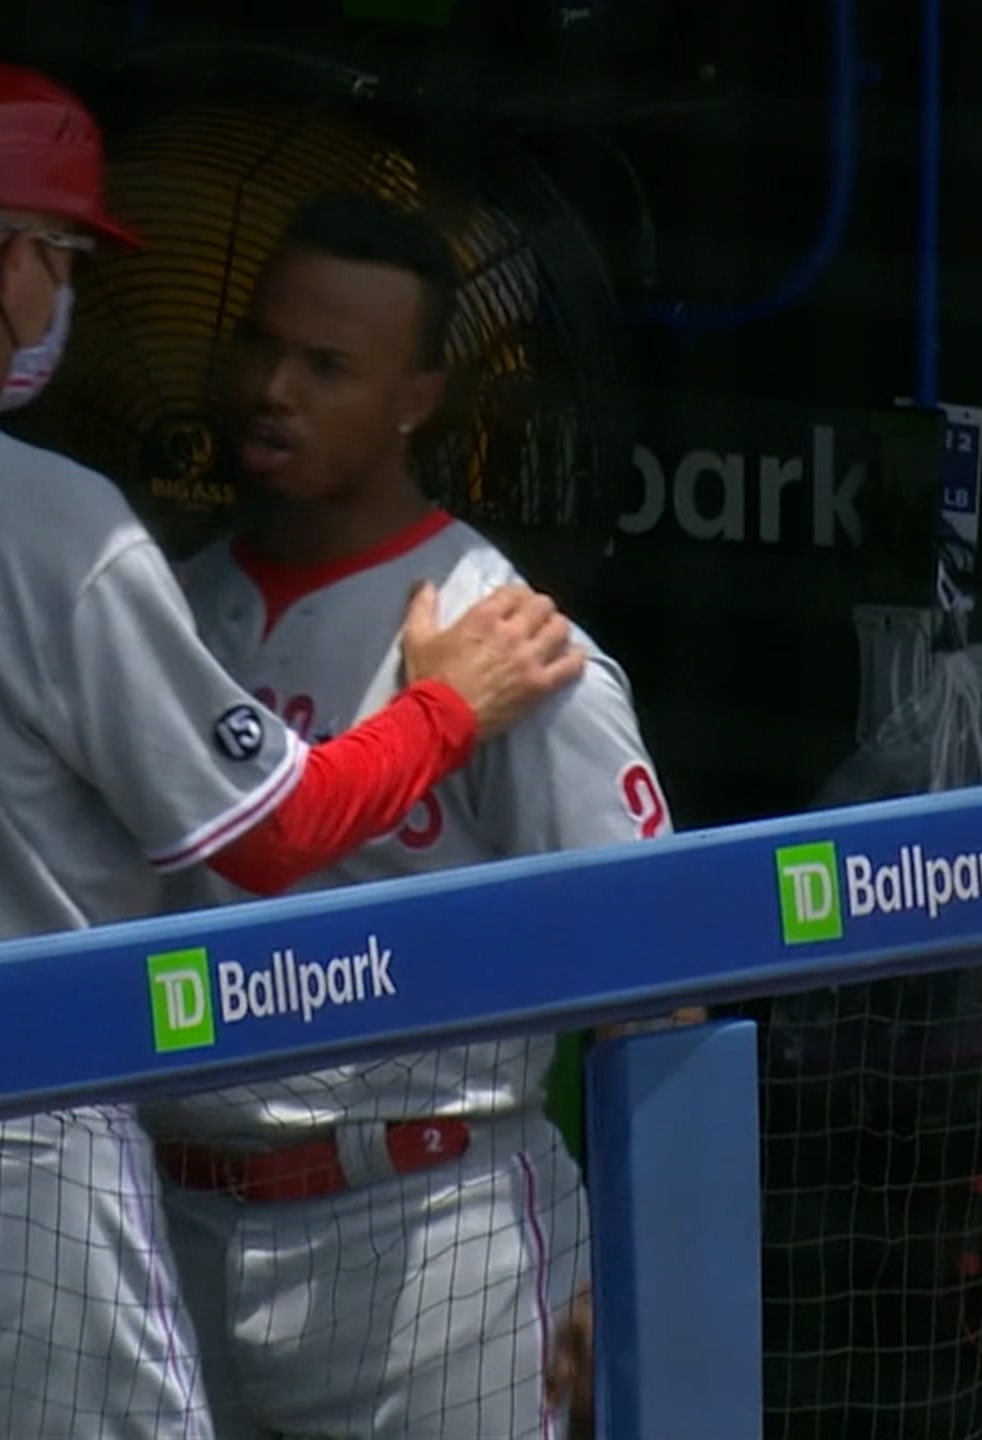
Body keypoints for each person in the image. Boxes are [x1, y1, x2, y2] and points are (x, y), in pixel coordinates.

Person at [0, 62, 588, 1440]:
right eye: (71, 258)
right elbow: (278, 833)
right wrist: (445, 706)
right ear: (17, 260)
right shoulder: (48, 522)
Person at [142, 191, 678, 1440]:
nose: (274, 388)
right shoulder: (160, 612)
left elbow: (655, 979)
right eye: (262, 346)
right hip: (173, 1221)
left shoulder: (515, 643)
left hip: (430, 1234)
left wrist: (636, 1267)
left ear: (416, 399)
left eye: (328, 366)